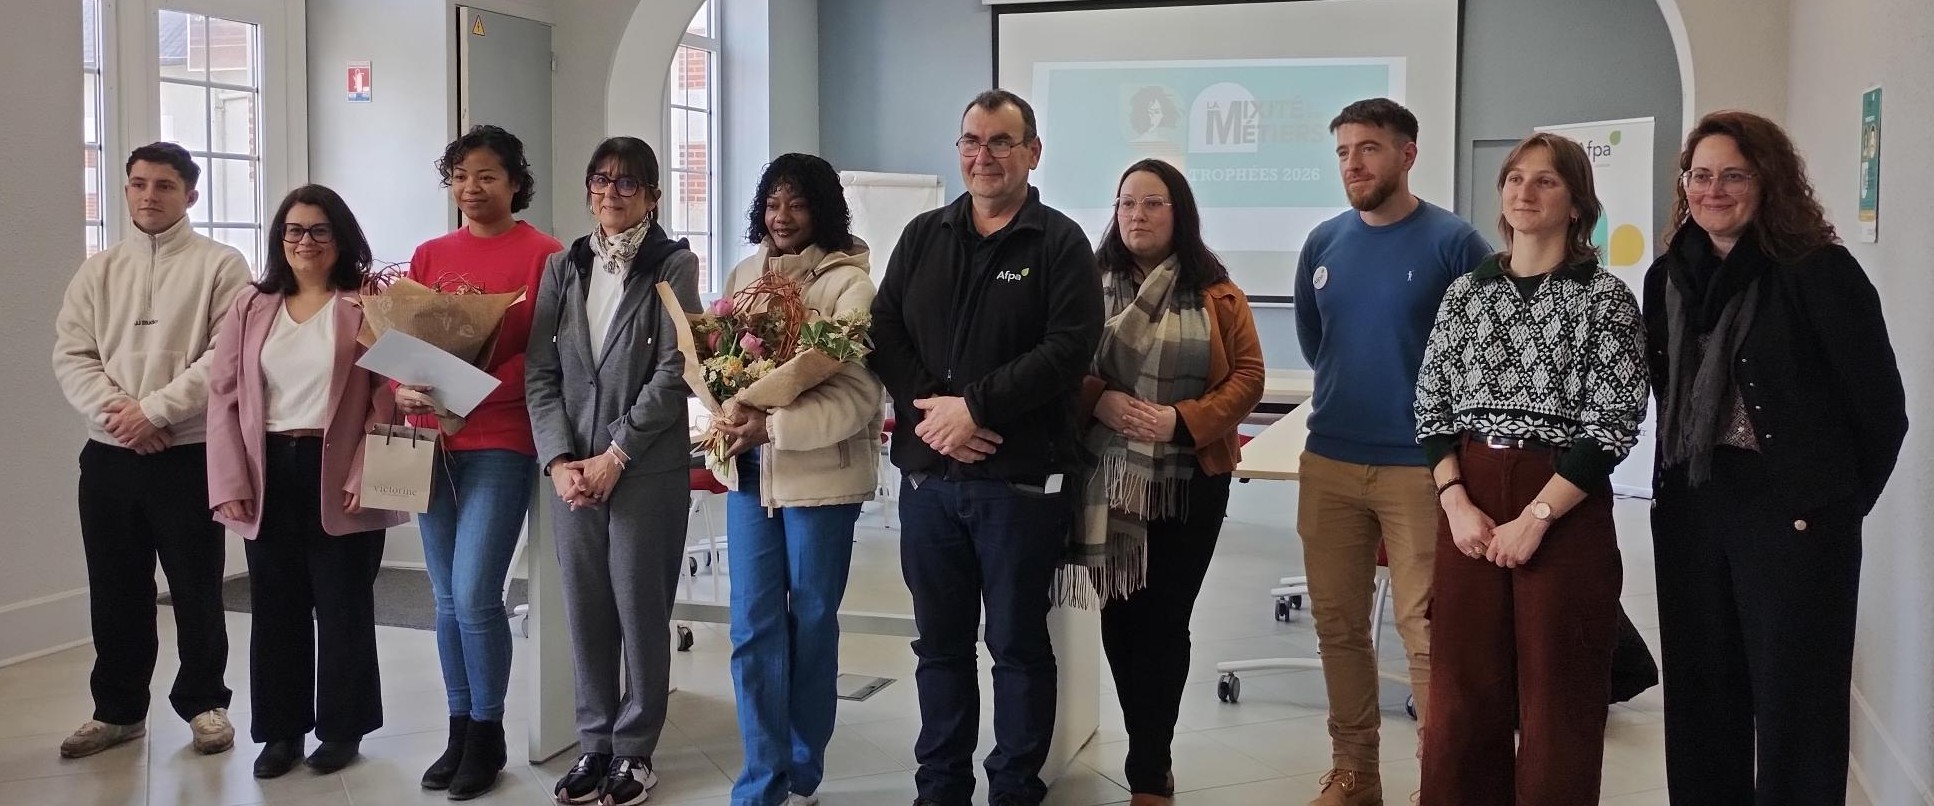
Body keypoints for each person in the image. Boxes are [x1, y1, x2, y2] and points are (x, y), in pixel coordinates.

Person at [1645, 110, 1906, 805]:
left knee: (1798, 708)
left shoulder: (1818, 271)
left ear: (1769, 181)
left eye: (1734, 174)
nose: (1714, 190)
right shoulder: (1669, 276)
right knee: (1702, 701)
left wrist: (1830, 511)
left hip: (1793, 520)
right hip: (1694, 509)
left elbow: (1883, 414)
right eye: (1700, 175)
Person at [870, 89, 1103, 806]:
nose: (984, 155)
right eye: (972, 140)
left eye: (1002, 141)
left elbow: (1068, 350)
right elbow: (885, 331)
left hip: (1019, 489)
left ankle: (1013, 790)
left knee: (1017, 649)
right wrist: (937, 417)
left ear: (1032, 153)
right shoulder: (922, 236)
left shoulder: (1059, 244)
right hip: (929, 486)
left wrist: (976, 407)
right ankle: (940, 787)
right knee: (938, 649)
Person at [1412, 133, 1648, 804]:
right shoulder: (1467, 294)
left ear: (1577, 203)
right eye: (1515, 178)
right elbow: (1432, 404)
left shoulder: (1605, 300)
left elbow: (1614, 422)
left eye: (1544, 181)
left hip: (1564, 502)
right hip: (1472, 492)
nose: (1524, 192)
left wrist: (1538, 517)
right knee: (1463, 693)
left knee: (1559, 695)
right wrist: (1456, 501)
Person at [1291, 98, 1491, 805]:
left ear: (1407, 153)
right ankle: (1355, 773)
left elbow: (1480, 355)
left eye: (1369, 148)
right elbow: (1319, 343)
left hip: (1422, 468)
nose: (1354, 163)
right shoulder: (1323, 243)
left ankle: (1442, 779)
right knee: (1339, 625)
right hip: (1331, 460)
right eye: (1343, 150)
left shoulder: (1454, 243)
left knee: (1428, 632)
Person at [51, 141, 251, 759]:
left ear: (190, 195)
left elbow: (225, 355)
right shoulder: (99, 270)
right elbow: (72, 355)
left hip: (187, 454)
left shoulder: (222, 265)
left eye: (164, 186)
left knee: (195, 587)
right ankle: (117, 710)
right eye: (138, 184)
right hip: (109, 457)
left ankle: (205, 703)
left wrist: (156, 413)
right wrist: (123, 419)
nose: (148, 196)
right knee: (114, 587)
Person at [1073, 158, 1263, 805]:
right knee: (1121, 618)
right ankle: (1143, 739)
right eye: (1127, 203)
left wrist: (1181, 420)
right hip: (1106, 478)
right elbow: (1056, 363)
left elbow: (1248, 378)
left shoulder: (1219, 293)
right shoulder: (1083, 286)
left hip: (1191, 478)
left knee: (1166, 621)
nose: (1137, 216)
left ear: (1178, 213)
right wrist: (1098, 399)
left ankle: (1150, 764)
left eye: (1153, 204)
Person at [204, 184, 408, 778]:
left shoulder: (368, 300)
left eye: (319, 230)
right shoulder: (251, 304)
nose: (305, 241)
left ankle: (343, 730)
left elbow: (389, 393)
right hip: (268, 469)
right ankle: (281, 732)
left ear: (341, 237)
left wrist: (367, 468)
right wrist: (228, 478)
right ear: (279, 239)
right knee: (275, 607)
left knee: (343, 606)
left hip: (339, 466)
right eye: (294, 230)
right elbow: (222, 397)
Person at [526, 136, 701, 806]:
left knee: (638, 609)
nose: (611, 192)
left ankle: (634, 750)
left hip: (644, 470)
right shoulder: (564, 266)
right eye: (601, 179)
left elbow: (675, 369)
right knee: (587, 612)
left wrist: (616, 453)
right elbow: (541, 373)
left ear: (652, 196)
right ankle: (593, 742)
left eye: (628, 183)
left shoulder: (672, 264)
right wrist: (560, 459)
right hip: (573, 472)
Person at [394, 124, 562, 800]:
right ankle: (459, 726)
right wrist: (399, 386)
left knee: (473, 593)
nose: (472, 187)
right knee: (442, 598)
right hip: (432, 440)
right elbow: (400, 340)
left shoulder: (544, 255)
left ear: (515, 182)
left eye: (487, 175)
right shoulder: (431, 253)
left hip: (501, 437)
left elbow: (550, 354)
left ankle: (488, 732)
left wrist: (483, 385)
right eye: (461, 175)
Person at [714, 152, 883, 806]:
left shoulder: (849, 286)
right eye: (772, 203)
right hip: (749, 478)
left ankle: (803, 763)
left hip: (820, 480)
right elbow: (724, 365)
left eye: (797, 203)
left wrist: (773, 426)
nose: (781, 217)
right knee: (752, 626)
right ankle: (762, 777)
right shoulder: (743, 275)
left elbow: (861, 397)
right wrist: (728, 408)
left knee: (810, 621)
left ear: (824, 209)